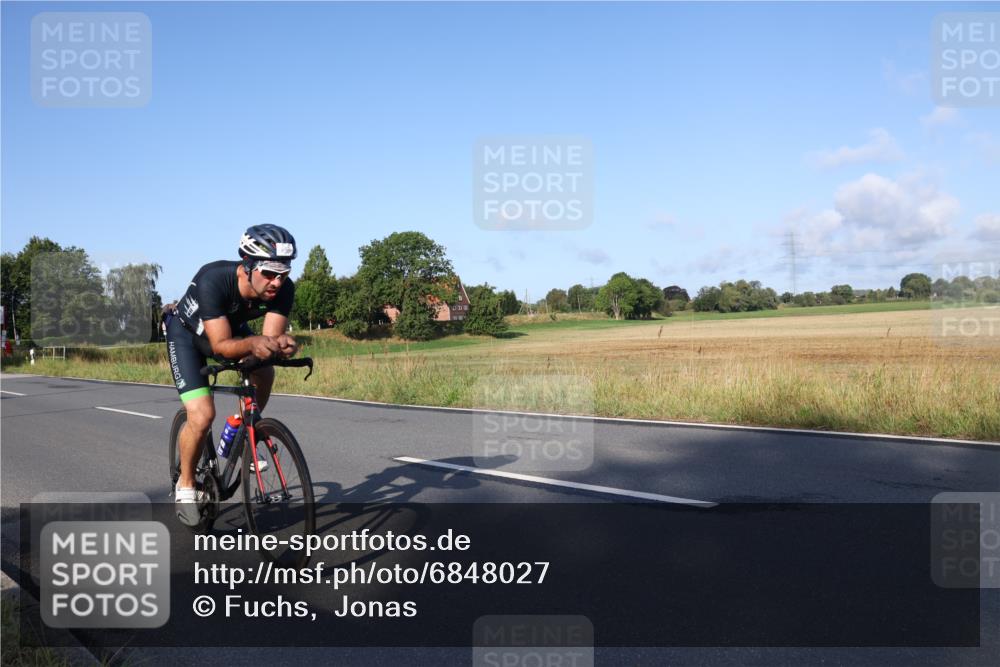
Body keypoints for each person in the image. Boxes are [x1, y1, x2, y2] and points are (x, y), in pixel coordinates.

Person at [164, 224, 298, 526]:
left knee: (265, 371)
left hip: (229, 331)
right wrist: (254, 343)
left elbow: (269, 338)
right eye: (269, 272)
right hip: (188, 338)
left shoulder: (283, 289)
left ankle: (238, 430)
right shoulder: (213, 280)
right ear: (247, 266)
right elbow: (222, 347)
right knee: (201, 415)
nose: (277, 281)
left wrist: (280, 346)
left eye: (284, 273)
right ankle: (186, 484)